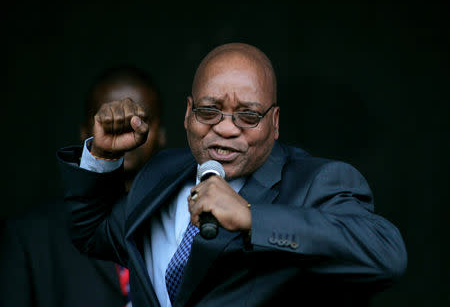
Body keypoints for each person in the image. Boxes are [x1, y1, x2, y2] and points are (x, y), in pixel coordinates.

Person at [57, 43, 407, 307]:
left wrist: (253, 219)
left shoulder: (316, 182)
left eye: (248, 116)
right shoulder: (161, 174)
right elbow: (93, 235)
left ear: (275, 122)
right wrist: (101, 155)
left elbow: (386, 256)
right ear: (188, 113)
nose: (225, 129)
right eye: (209, 111)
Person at [0, 66, 165, 307]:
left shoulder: (185, 221)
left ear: (161, 133)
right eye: (109, 119)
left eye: (140, 119)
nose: (124, 129)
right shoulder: (28, 235)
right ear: (84, 132)